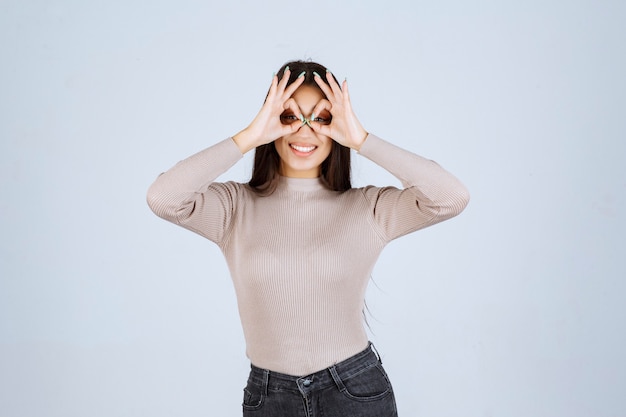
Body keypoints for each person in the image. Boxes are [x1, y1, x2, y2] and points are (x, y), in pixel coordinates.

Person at [147, 60, 469, 417]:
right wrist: (250, 136)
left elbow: (450, 197)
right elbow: (164, 198)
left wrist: (362, 139)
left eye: (321, 118)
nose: (304, 130)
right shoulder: (233, 207)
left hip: (353, 391)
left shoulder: (368, 208)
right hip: (269, 397)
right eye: (289, 117)